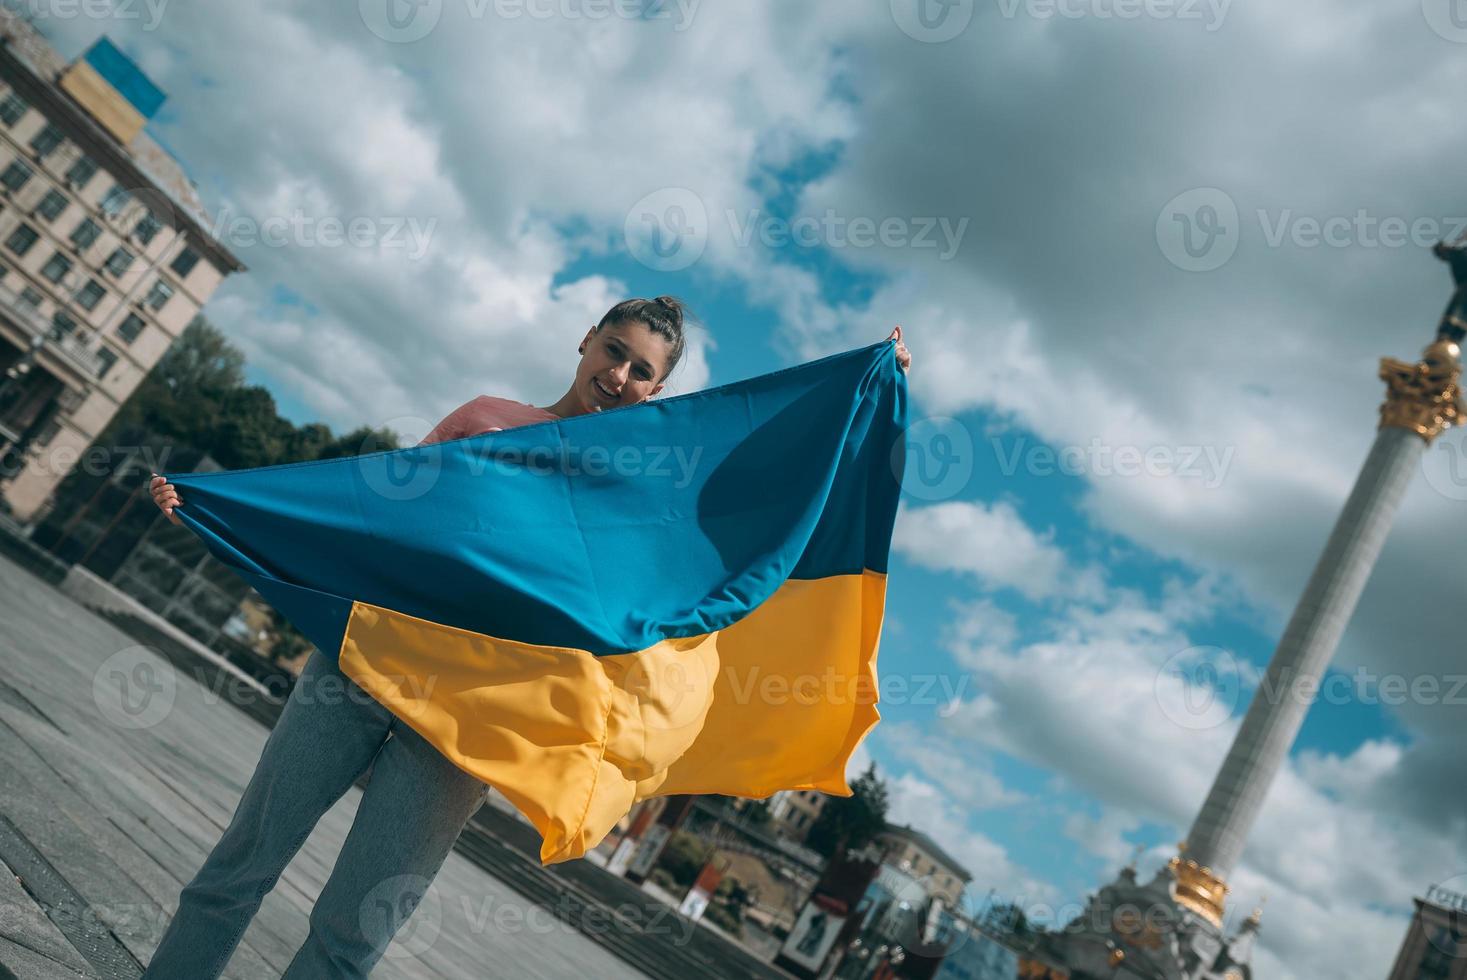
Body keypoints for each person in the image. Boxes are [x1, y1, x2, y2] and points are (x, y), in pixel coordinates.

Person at [141, 299, 911, 977]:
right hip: (357, 674)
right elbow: (368, 516)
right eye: (614, 352)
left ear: (657, 391)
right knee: (237, 869)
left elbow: (768, 462)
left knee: (351, 935)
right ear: (586, 340)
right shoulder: (486, 420)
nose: (619, 376)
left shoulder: (644, 486)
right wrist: (225, 509)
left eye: (641, 371)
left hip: (471, 729)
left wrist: (864, 384)